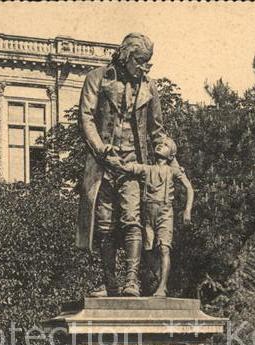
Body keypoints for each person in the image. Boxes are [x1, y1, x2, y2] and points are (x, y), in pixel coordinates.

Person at [77, 33, 167, 297]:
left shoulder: (149, 88)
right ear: (126, 55)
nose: (144, 68)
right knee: (104, 224)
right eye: (140, 61)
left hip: (134, 166)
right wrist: (102, 150)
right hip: (104, 164)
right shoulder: (97, 78)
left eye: (148, 63)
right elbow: (86, 119)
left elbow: (157, 130)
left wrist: (165, 155)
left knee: (132, 219)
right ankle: (109, 281)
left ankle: (132, 281)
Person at [106, 136, 194, 297]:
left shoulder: (173, 170)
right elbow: (127, 167)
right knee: (146, 249)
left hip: (165, 212)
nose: (160, 146)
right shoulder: (147, 169)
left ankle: (163, 287)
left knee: (164, 248)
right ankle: (158, 277)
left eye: (166, 145)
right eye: (160, 143)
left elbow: (189, 188)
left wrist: (187, 210)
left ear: (171, 156)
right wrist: (114, 161)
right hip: (148, 214)